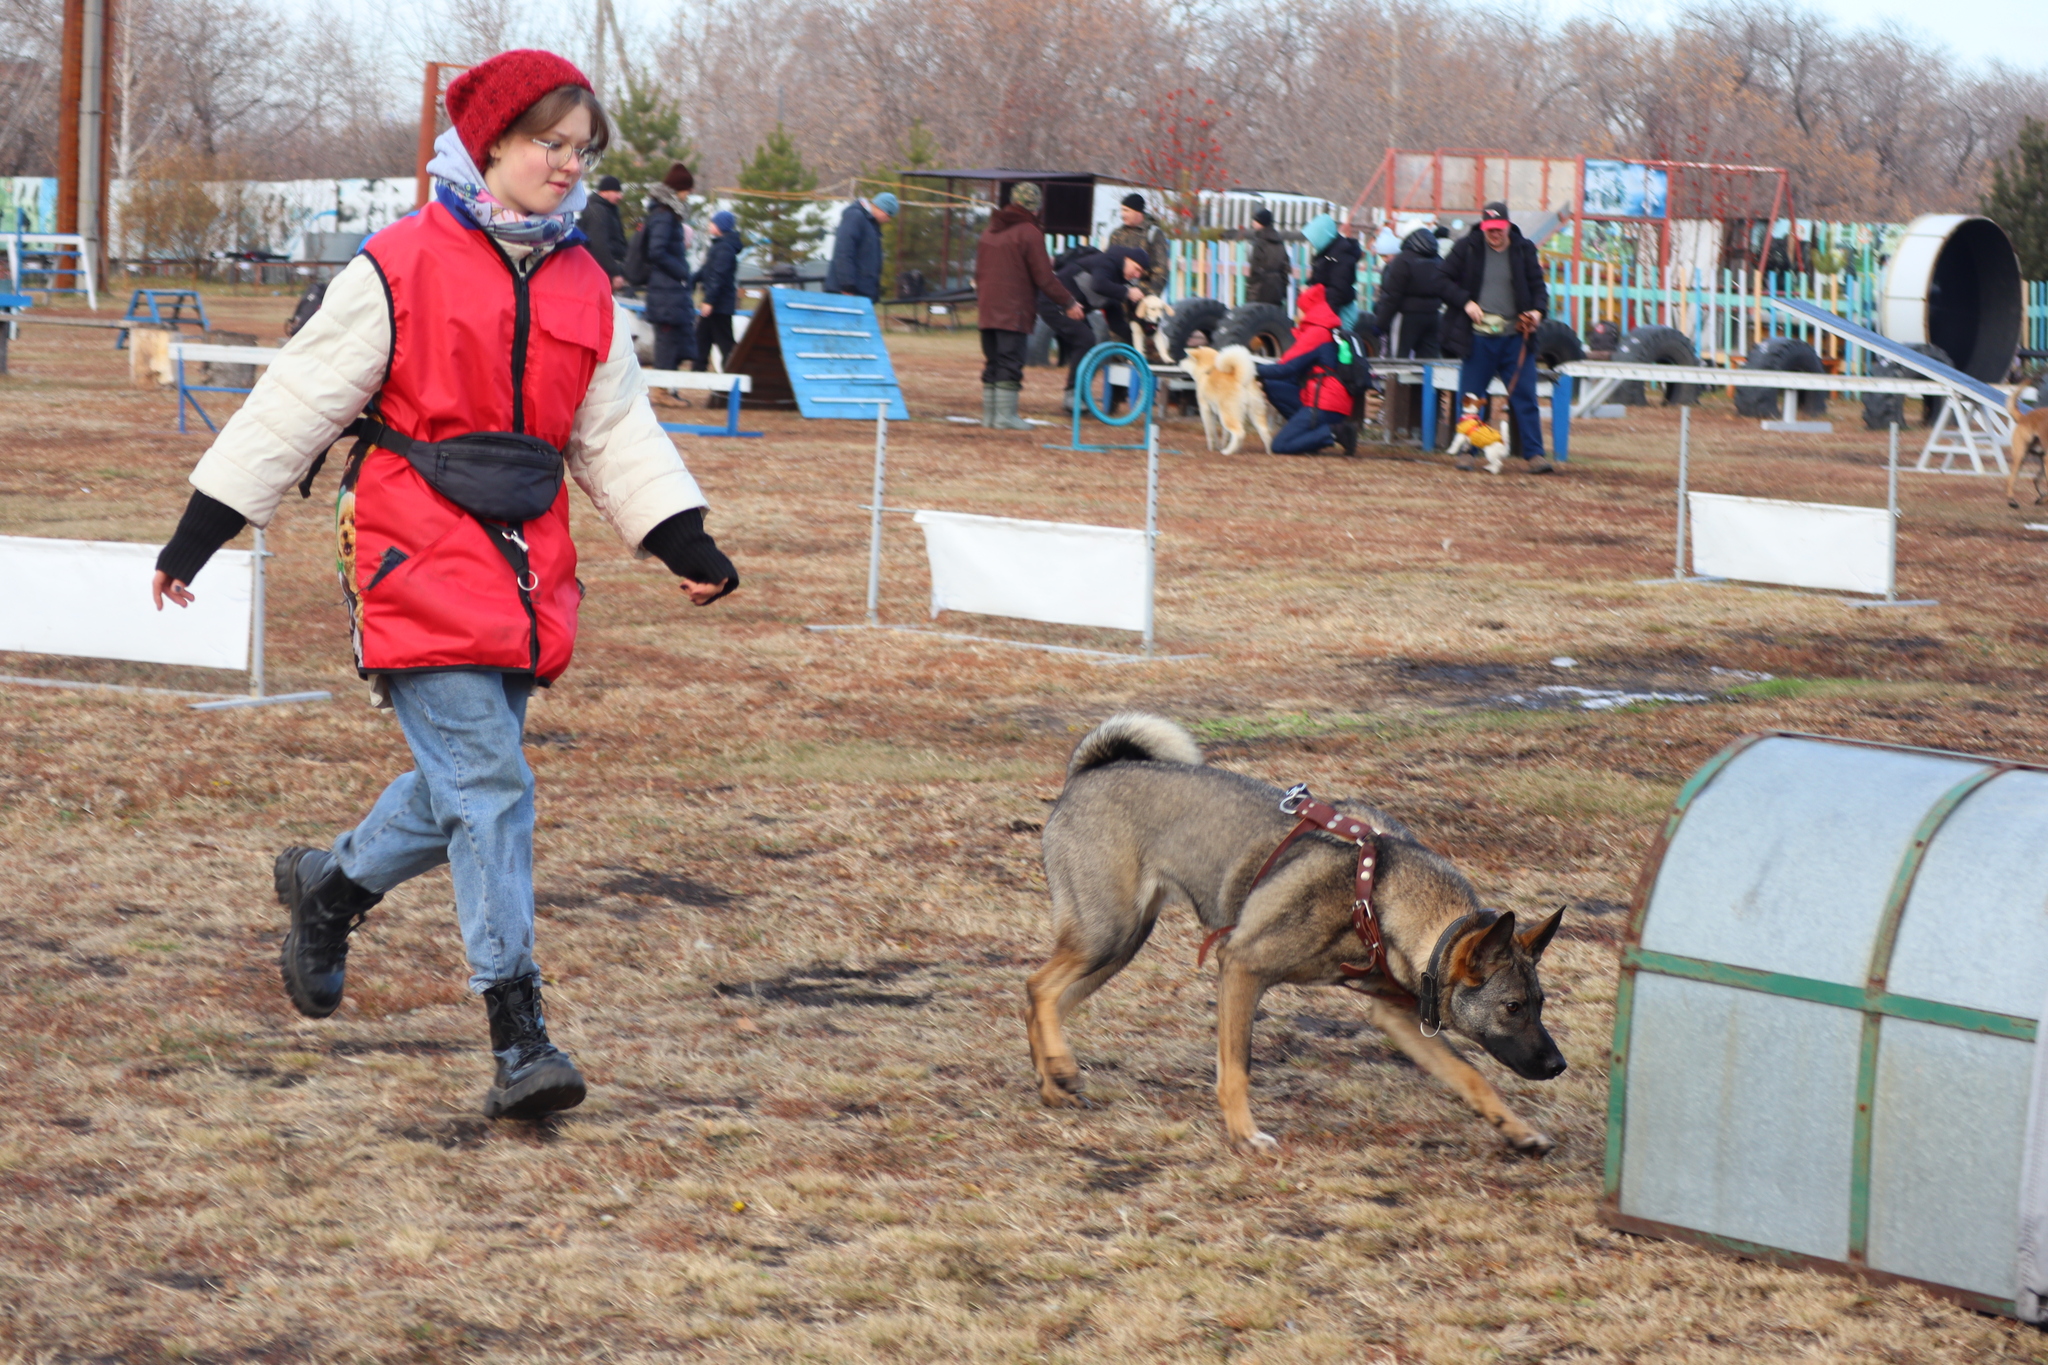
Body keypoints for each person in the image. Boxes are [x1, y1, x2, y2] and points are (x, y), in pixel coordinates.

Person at [146, 49, 739, 1123]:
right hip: (410, 549)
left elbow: (612, 433)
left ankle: (330, 887)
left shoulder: (580, 283)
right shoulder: (398, 264)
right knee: (493, 788)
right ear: (491, 144)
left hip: (524, 566)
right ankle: (520, 1037)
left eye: (582, 152)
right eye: (548, 146)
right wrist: (198, 537)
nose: (567, 167)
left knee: (471, 780)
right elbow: (295, 407)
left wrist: (684, 542)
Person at [1440, 200, 1553, 473]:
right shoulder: (1467, 247)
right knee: (1471, 398)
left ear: (1507, 226)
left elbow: (1539, 288)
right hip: (1477, 339)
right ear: (1483, 226)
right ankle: (1468, 450)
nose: (1494, 234)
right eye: (1489, 229)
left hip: (1516, 337)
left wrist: (1537, 313)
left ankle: (1534, 455)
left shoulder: (1524, 249)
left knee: (1525, 396)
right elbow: (1440, 279)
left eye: (1498, 229)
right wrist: (1466, 302)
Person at [974, 181, 1079, 430]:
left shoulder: (989, 231)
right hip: (1013, 310)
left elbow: (978, 273)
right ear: (1034, 208)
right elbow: (1044, 277)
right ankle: (1006, 417)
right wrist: (1068, 302)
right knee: (1010, 361)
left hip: (987, 309)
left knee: (993, 361)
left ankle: (990, 417)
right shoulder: (1029, 233)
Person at [1254, 283, 1357, 456]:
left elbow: (1286, 369)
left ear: (1308, 309)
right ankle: (1311, 437)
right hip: (1330, 401)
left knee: (1279, 446)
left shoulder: (1316, 334)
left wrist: (1251, 369)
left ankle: (1335, 432)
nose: (1297, 314)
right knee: (1272, 385)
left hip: (1324, 403)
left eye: (1299, 309)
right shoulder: (1329, 329)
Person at [1045, 244, 1149, 411]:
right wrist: (1127, 293)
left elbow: (1117, 324)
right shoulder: (1106, 262)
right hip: (1052, 301)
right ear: (1127, 259)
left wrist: (1141, 341)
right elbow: (1099, 284)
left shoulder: (1116, 283)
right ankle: (1072, 394)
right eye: (1136, 268)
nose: (1136, 275)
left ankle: (1079, 393)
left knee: (1088, 341)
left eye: (1140, 274)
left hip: (1072, 309)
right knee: (1085, 339)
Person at [643, 161, 698, 380]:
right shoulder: (664, 216)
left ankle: (670, 388)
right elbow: (656, 251)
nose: (689, 195)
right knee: (666, 343)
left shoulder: (668, 215)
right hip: (665, 290)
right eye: (687, 190)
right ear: (678, 190)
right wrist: (680, 271)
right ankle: (663, 390)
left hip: (670, 291)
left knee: (675, 341)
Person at [1370, 227, 1451, 358]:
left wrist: (1380, 324)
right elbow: (1446, 288)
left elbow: (1392, 297)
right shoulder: (1438, 260)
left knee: (1397, 360)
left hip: (1406, 316)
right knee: (1428, 362)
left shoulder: (1403, 260)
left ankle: (1394, 379)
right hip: (1434, 316)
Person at [824, 191, 896, 301]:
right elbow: (844, 251)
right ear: (882, 208)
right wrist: (847, 285)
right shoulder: (855, 217)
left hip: (862, 292)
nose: (888, 220)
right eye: (888, 215)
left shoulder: (871, 224)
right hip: (847, 292)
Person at [693, 209, 741, 372]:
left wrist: (709, 301)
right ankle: (696, 375)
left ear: (720, 226)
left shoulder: (724, 249)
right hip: (716, 305)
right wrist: (690, 280)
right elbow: (707, 271)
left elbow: (717, 276)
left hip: (719, 306)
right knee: (701, 340)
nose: (709, 224)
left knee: (725, 345)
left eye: (713, 222)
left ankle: (733, 375)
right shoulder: (720, 246)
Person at [1302, 212, 1364, 323]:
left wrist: (1327, 317)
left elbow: (1338, 289)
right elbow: (1322, 278)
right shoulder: (1327, 253)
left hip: (1339, 311)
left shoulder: (1340, 256)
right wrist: (1309, 286)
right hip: (1329, 308)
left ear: (1322, 235)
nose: (1312, 243)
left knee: (1339, 339)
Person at [581, 173, 629, 288]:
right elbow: (598, 244)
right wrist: (614, 272)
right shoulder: (598, 211)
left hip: (604, 271)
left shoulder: (609, 210)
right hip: (599, 272)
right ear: (604, 192)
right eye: (616, 192)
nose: (620, 196)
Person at [1246, 207, 1290, 306]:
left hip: (1260, 288)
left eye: (1255, 220)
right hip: (1276, 288)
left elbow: (1255, 267)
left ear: (1261, 222)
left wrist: (1251, 291)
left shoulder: (1260, 241)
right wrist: (1282, 288)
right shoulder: (1279, 241)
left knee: (1258, 317)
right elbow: (1285, 267)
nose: (1253, 223)